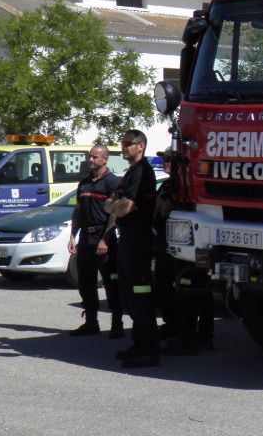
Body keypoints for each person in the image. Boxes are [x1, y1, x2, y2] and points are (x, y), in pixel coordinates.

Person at [108, 129, 159, 368]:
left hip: (139, 239)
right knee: (129, 293)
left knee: (141, 294)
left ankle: (149, 350)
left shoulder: (142, 172)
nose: (123, 147)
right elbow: (110, 203)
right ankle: (138, 344)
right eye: (122, 143)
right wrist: (114, 205)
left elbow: (123, 207)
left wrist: (114, 205)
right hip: (127, 237)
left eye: (128, 143)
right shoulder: (130, 173)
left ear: (141, 146)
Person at [67, 145, 123, 338]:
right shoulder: (84, 183)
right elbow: (78, 210)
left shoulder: (112, 183)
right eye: (89, 157)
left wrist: (105, 239)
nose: (91, 160)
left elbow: (114, 214)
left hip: (103, 237)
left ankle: (117, 324)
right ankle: (91, 322)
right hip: (86, 238)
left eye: (94, 157)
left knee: (111, 282)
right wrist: (73, 235)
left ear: (105, 159)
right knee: (86, 281)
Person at [152, 147, 178, 344]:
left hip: (177, 242)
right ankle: (170, 324)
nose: (165, 162)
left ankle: (197, 332)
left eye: (169, 159)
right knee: (164, 285)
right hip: (162, 239)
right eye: (164, 159)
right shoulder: (166, 185)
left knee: (182, 288)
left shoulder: (182, 186)